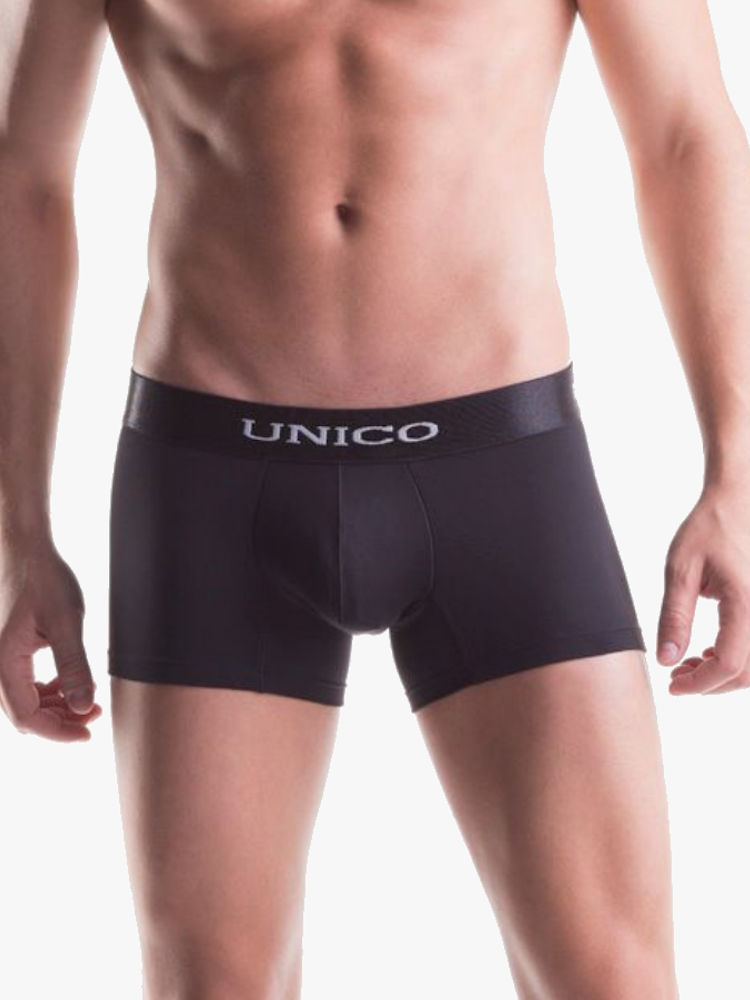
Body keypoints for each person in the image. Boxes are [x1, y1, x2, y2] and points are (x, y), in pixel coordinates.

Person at [2, 0, 750, 996]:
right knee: (210, 985)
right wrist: (20, 534)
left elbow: (685, 133)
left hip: (500, 469)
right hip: (215, 475)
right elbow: (23, 175)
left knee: (615, 977)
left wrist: (737, 471)